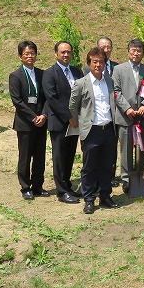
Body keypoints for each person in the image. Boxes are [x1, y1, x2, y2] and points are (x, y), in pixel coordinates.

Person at [68, 47, 120, 214]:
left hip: (108, 129)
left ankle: (105, 196)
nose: (98, 65)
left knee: (107, 165)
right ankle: (89, 199)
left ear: (105, 63)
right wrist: (79, 124)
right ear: (89, 63)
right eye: (94, 62)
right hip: (91, 131)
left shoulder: (110, 82)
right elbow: (72, 106)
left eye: (101, 62)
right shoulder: (81, 83)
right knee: (89, 167)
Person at [42, 40, 84, 204]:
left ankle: (67, 186)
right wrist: (69, 117)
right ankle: (61, 191)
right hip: (60, 122)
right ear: (56, 54)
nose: (66, 55)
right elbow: (52, 99)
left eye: (68, 52)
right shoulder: (49, 74)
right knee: (59, 157)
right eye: (62, 52)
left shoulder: (76, 71)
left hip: (76, 122)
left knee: (70, 155)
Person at [9, 40, 49, 200]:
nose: (30, 56)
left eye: (32, 53)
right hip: (25, 123)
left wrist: (44, 115)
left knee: (40, 156)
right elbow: (17, 101)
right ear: (20, 56)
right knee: (25, 157)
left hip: (41, 121)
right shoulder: (15, 76)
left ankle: (38, 186)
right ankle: (25, 187)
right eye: (26, 53)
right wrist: (33, 117)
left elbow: (47, 97)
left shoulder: (42, 74)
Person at [113, 38, 144, 194]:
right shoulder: (118, 70)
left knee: (142, 148)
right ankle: (126, 178)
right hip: (125, 116)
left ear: (143, 53)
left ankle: (140, 176)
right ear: (128, 51)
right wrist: (127, 108)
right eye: (133, 50)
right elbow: (116, 91)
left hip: (143, 116)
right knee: (126, 149)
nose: (136, 53)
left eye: (139, 50)